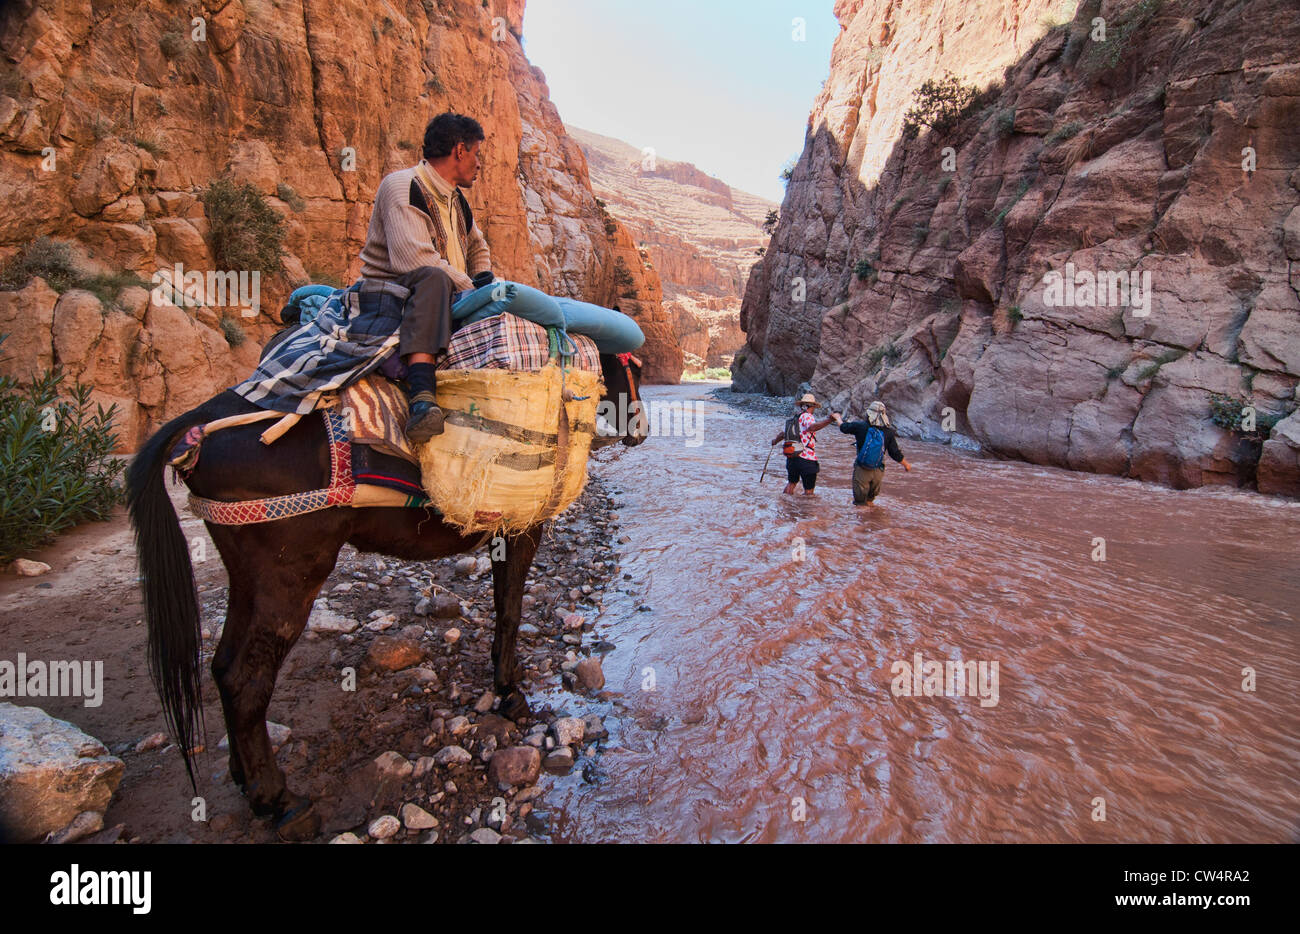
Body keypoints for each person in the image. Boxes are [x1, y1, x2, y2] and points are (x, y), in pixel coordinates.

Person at [358, 112, 496, 442]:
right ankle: (422, 396)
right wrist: (470, 290)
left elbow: (478, 246)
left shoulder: (456, 200)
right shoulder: (401, 185)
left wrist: (483, 281)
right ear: (459, 151)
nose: (478, 164)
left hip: (444, 291)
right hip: (392, 289)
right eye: (476, 154)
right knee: (433, 277)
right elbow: (412, 260)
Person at [834, 401, 912, 504]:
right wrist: (906, 465)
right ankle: (872, 519)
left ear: (869, 414)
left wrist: (837, 418)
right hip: (878, 470)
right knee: (870, 502)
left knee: (860, 504)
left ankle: (863, 520)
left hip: (862, 469)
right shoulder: (888, 432)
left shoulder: (860, 426)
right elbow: (895, 453)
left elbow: (843, 427)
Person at [770, 393, 839, 495]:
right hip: (806, 458)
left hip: (792, 456)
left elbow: (782, 434)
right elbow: (812, 427)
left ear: (801, 405)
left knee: (791, 483)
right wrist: (829, 420)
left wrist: (774, 441)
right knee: (809, 491)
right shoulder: (807, 416)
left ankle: (784, 506)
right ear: (813, 406)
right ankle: (805, 510)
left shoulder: (794, 419)